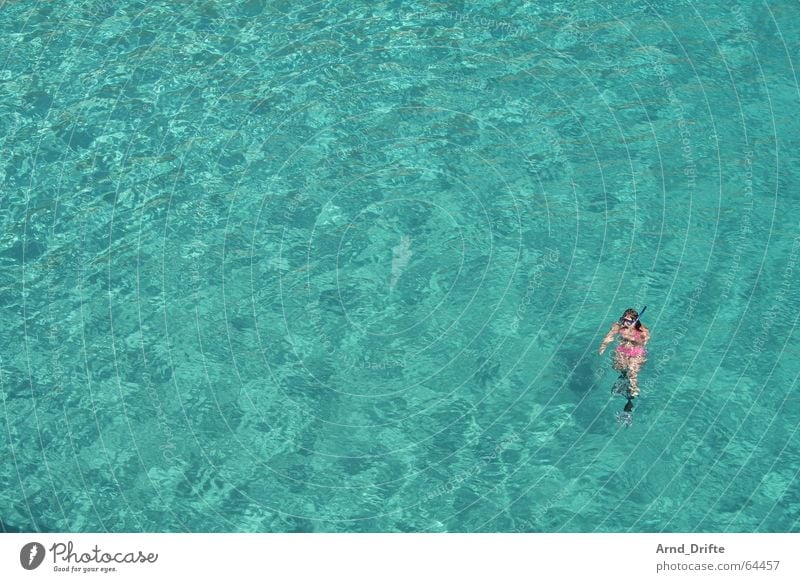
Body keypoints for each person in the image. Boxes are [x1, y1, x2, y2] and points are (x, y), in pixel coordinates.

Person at [598, 308, 650, 403]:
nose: (625, 323)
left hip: (636, 353)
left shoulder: (643, 329)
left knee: (632, 371)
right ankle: (624, 379)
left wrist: (631, 337)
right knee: (619, 368)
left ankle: (633, 392)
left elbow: (643, 342)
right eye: (624, 319)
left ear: (635, 321)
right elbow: (609, 337)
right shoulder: (618, 326)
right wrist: (603, 347)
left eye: (628, 321)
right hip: (622, 351)